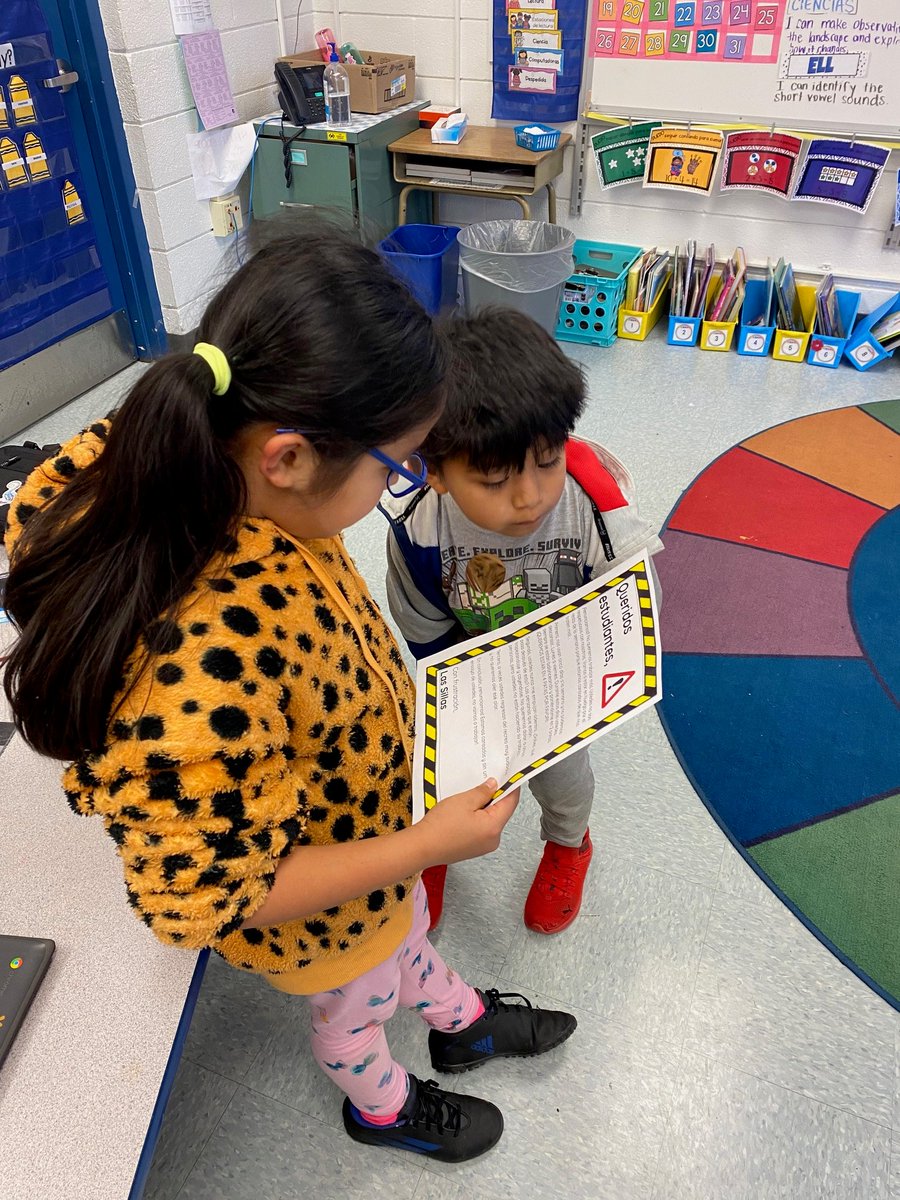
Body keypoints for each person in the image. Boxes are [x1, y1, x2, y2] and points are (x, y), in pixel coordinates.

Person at [2, 225, 576, 1164]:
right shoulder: (194, 665)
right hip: (322, 904)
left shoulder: (212, 462)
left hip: (366, 833)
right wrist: (430, 844)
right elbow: (209, 897)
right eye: (398, 468)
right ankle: (381, 1107)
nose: (404, 486)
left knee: (407, 937)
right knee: (357, 1007)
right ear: (290, 457)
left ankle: (459, 1020)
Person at [382, 307, 662, 934]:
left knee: (564, 778)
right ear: (438, 472)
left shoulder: (595, 508)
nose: (530, 495)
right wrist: (472, 702)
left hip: (563, 684)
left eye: (546, 461)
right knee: (442, 775)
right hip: (471, 679)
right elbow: (424, 631)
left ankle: (568, 846)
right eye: (494, 479)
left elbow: (640, 608)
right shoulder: (419, 530)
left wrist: (583, 677)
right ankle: (435, 848)